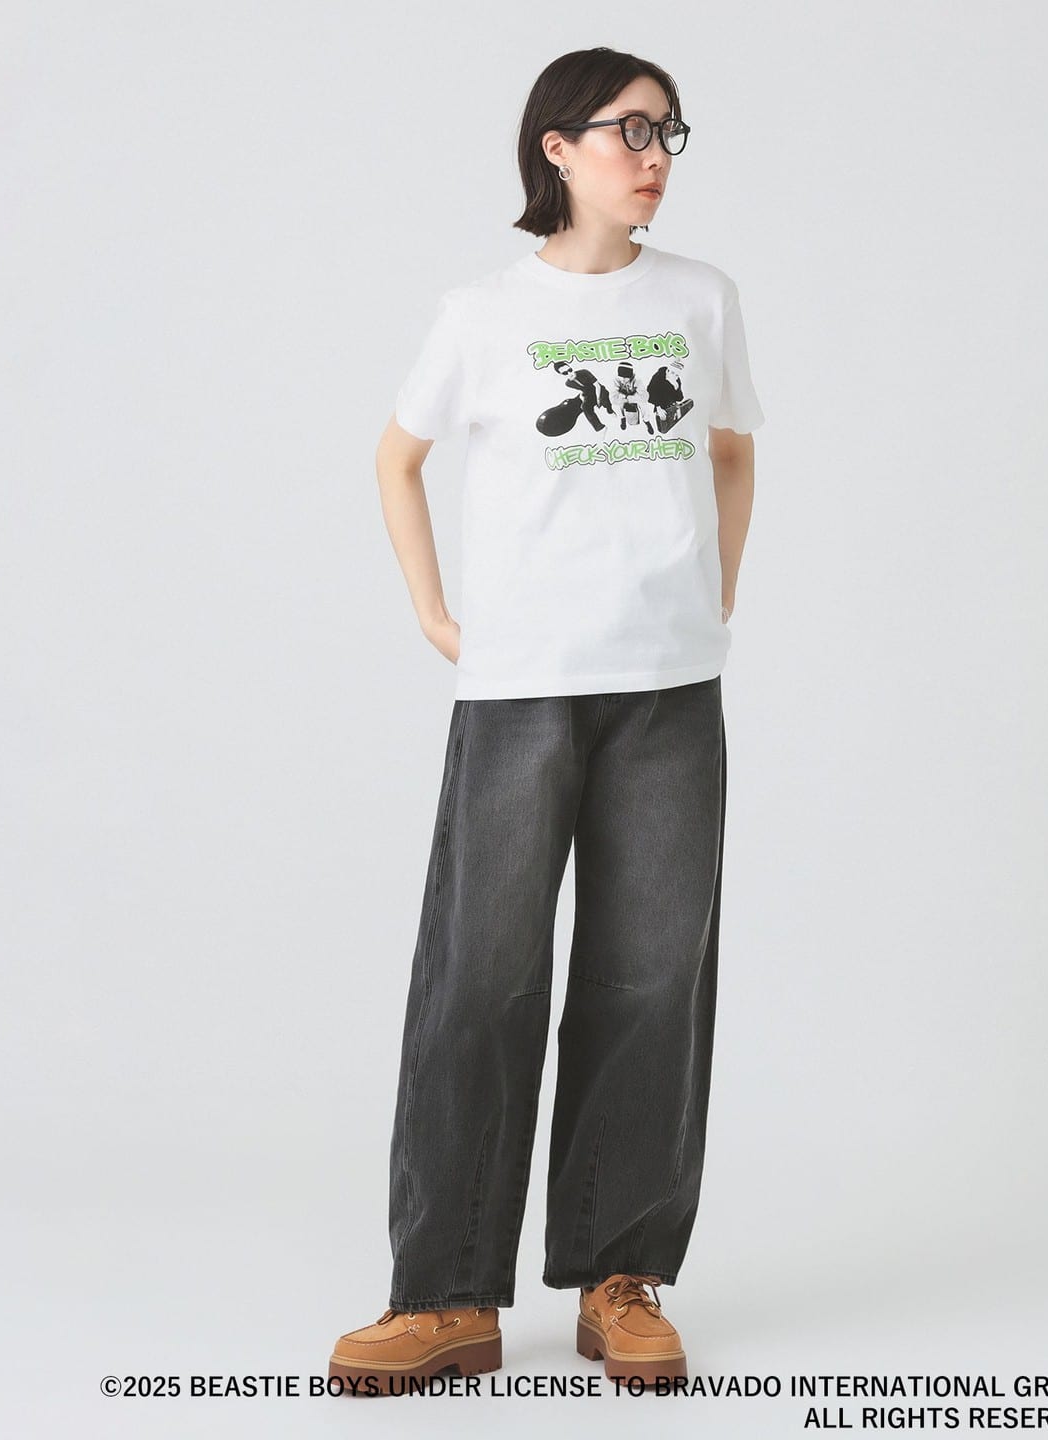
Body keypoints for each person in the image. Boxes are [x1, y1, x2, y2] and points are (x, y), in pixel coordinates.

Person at [328, 44, 764, 1396]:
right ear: (556, 148)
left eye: (668, 131)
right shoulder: (483, 314)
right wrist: (433, 609)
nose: (654, 155)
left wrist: (713, 590)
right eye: (628, 129)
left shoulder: (701, 298)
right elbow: (398, 456)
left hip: (670, 692)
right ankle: (444, 1294)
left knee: (652, 979)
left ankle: (620, 1280)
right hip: (519, 685)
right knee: (481, 978)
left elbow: (732, 451)